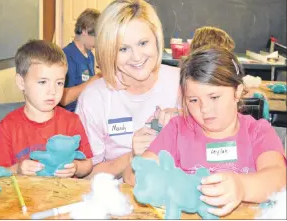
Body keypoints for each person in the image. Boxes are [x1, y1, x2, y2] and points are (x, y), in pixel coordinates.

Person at [123, 47, 286, 216]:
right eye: (193, 100)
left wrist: (242, 187)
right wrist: (139, 168)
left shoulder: (258, 131)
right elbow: (136, 175)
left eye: (214, 97)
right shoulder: (176, 130)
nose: (205, 109)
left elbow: (278, 177)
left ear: (237, 92)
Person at [75, 0, 181, 178]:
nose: (137, 57)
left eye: (143, 43)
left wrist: (186, 125)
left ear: (156, 39)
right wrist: (132, 156)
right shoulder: (94, 98)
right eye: (123, 49)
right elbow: (86, 175)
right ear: (108, 51)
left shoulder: (182, 83)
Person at [0, 40, 93, 178]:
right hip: (24, 197)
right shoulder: (7, 126)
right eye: (43, 82)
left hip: (65, 196)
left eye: (59, 83)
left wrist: (75, 167)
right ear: (21, 82)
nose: (52, 91)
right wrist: (17, 169)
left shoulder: (72, 121)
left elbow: (87, 164)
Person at [60, 8, 101, 112]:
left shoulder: (90, 55)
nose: (97, 43)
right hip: (71, 116)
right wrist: (93, 80)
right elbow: (63, 99)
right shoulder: (65, 56)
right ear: (85, 31)